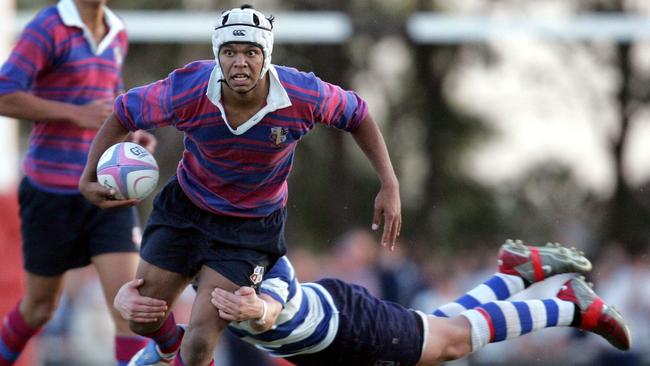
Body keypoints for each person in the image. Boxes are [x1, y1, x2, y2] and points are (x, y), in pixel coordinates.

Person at [78, 4, 401, 366]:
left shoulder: (303, 93)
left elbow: (358, 114)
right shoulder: (189, 88)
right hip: (186, 208)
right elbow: (123, 111)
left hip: (250, 227)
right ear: (218, 55)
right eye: (230, 52)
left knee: (200, 344)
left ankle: (183, 350)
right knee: (141, 317)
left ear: (267, 55)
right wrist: (89, 175)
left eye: (251, 52)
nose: (240, 62)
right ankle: (168, 344)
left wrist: (389, 182)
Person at [116, 240, 632, 366]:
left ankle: (571, 306)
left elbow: (277, 285)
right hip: (332, 337)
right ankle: (517, 274)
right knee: (439, 328)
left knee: (450, 344)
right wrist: (131, 304)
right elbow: (166, 334)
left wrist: (263, 311)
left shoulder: (248, 246)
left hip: (346, 328)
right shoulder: (193, 255)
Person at [0, 1, 156, 365]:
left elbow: (108, 104)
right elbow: (4, 93)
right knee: (39, 309)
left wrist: (130, 135)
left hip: (105, 191)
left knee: (131, 311)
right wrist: (75, 114)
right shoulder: (48, 28)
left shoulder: (117, 30)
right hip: (50, 193)